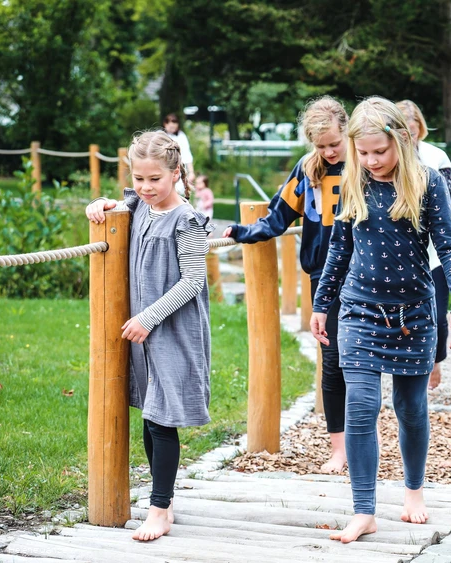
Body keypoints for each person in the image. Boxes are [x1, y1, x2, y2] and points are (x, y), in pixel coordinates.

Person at [310, 96, 451, 544]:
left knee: (410, 409)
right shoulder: (353, 182)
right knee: (360, 406)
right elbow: (338, 250)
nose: (371, 161)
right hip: (359, 309)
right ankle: (364, 510)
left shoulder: (429, 183)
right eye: (362, 152)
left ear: (401, 140)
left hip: (414, 314)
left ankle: (414, 491)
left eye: (379, 151)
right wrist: (322, 304)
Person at [84, 129, 213, 541]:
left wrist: (149, 317)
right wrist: (100, 204)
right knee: (148, 412)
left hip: (172, 330)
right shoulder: (138, 205)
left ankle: (158, 509)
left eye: (154, 178)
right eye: (139, 178)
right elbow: (119, 205)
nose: (145, 187)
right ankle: (165, 500)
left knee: (161, 418)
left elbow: (193, 281)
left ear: (176, 173)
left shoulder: (187, 220)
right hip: (143, 334)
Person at [222, 95, 351, 474]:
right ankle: (338, 449)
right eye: (320, 145)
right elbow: (277, 216)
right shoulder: (308, 170)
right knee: (332, 362)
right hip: (322, 276)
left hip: (362, 274)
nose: (328, 152)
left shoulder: (365, 164)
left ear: (347, 131)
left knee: (359, 360)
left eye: (334, 144)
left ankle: (364, 441)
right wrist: (245, 232)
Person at [395, 100, 451, 391]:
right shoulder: (385, 160)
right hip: (400, 254)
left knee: (436, 313)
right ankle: (407, 368)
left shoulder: (436, 158)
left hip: (435, 253)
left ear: (420, 130)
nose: (408, 138)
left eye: (412, 132)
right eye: (402, 132)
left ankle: (434, 362)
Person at [163, 113, 195, 196]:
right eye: (171, 123)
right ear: (165, 124)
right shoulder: (161, 136)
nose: (173, 126)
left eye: (175, 123)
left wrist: (191, 172)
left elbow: (187, 155)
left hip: (179, 169)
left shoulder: (181, 136)